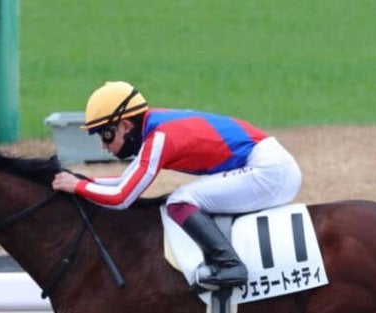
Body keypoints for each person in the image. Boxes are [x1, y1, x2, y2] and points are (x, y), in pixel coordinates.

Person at [52, 81, 302, 289]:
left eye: (105, 134)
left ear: (126, 125)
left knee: (180, 200)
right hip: (269, 164)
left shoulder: (160, 136)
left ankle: (230, 265)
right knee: (185, 198)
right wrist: (83, 181)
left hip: (270, 171)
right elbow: (125, 180)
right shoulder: (155, 126)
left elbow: (122, 197)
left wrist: (79, 187)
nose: (103, 146)